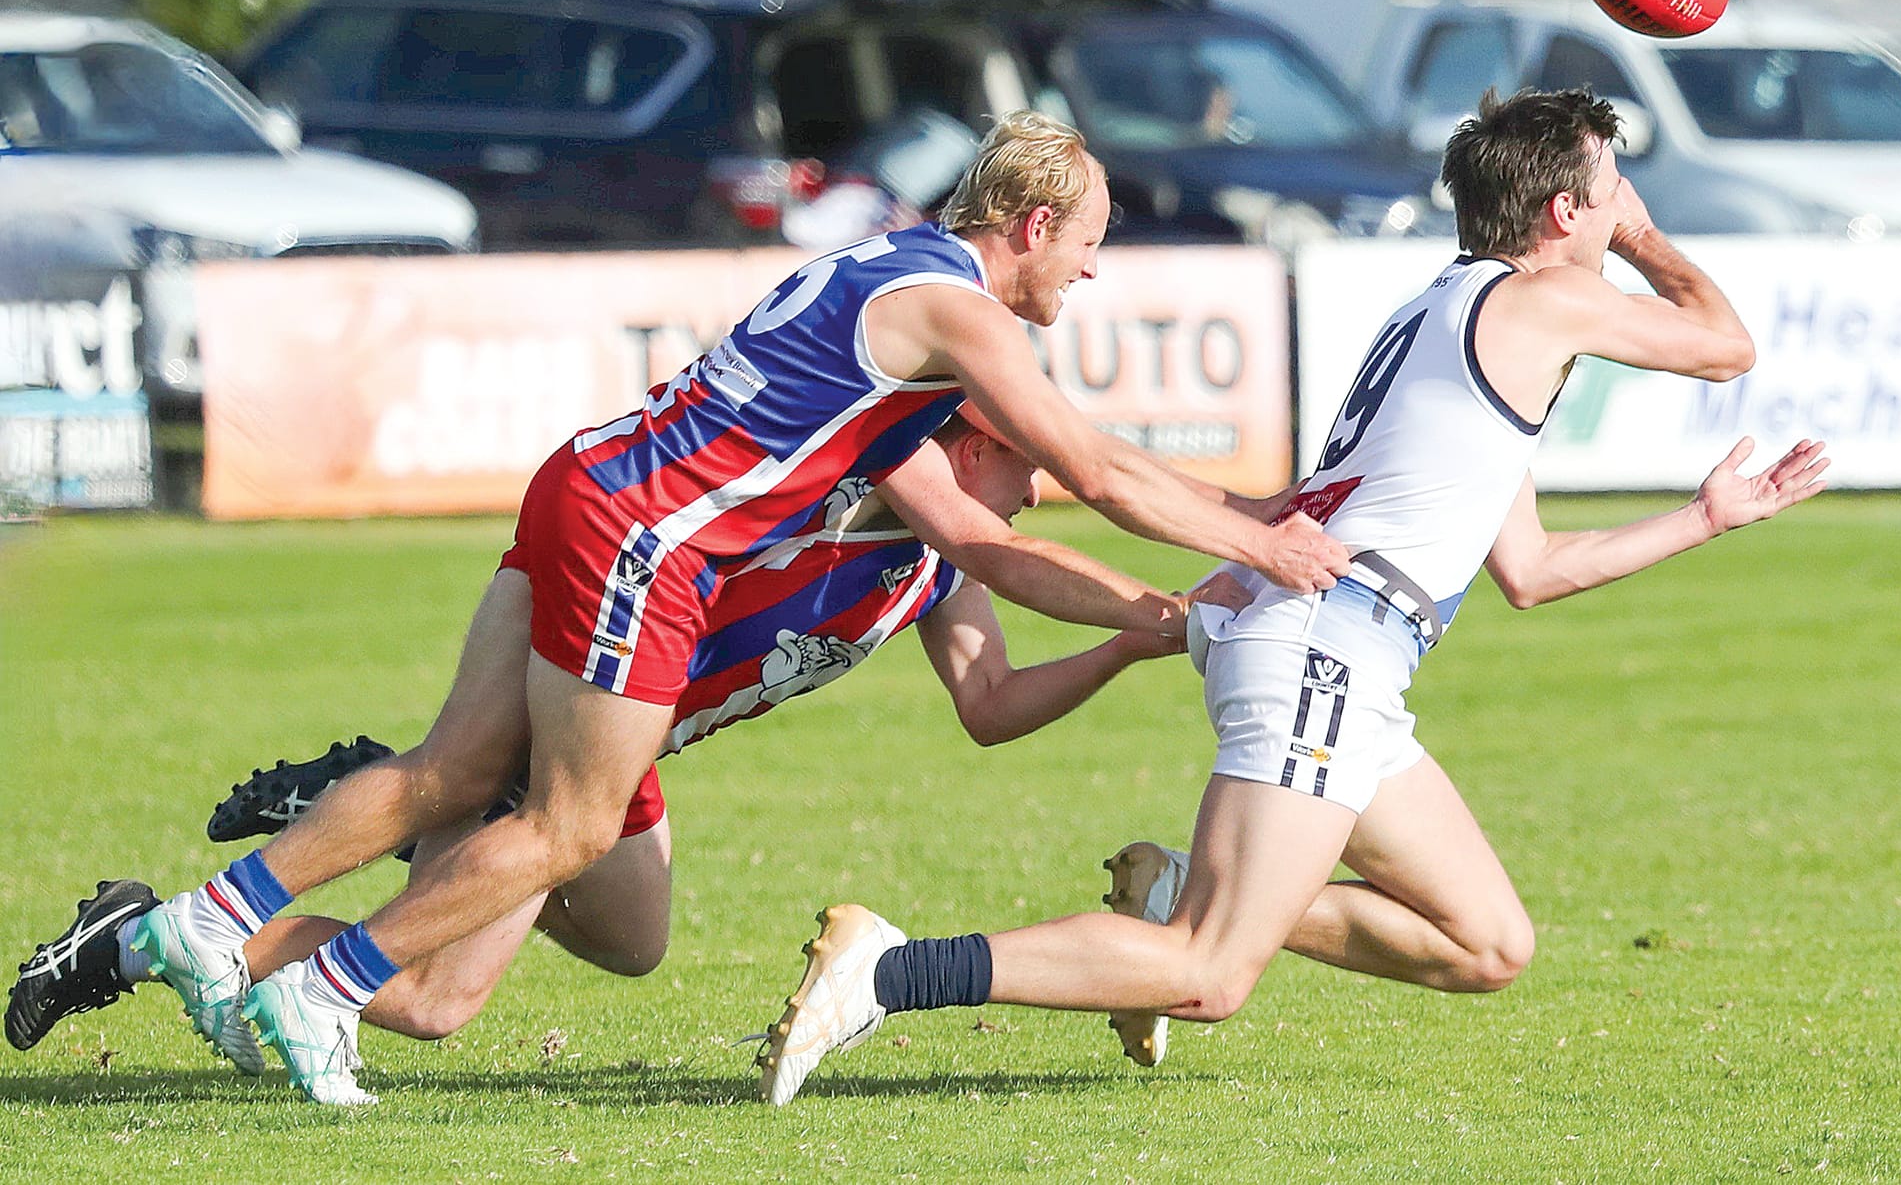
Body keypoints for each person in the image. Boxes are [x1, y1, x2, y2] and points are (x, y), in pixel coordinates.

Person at [38, 110, 1347, 1105]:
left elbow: (1000, 594)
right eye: (1092, 247)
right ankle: (324, 983)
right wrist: (1256, 547)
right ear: (1034, 224)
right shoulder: (956, 323)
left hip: (593, 481)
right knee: (561, 824)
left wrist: (1184, 593)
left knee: (542, 863)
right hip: (643, 537)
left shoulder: (888, 280)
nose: (1092, 278)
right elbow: (1091, 473)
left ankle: (207, 922)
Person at [750, 87, 1831, 1106]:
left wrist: (1701, 519)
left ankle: (1179, 890)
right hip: (1325, 640)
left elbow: (1530, 569)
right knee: (1209, 973)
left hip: (1340, 641)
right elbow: (1724, 343)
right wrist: (1639, 236)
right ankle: (890, 971)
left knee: (1485, 941)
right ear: (1564, 211)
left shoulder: (1452, 314)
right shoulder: (1544, 297)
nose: (1617, 214)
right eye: (1607, 191)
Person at [9, 411, 1185, 1052]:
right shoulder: (856, 478)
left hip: (627, 758)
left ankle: (387, 800)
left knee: (631, 940)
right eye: (1027, 466)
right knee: (429, 1002)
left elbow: (990, 708)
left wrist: (1127, 644)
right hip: (572, 728)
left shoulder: (934, 569)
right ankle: (135, 937)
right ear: (971, 440)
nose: (1037, 492)